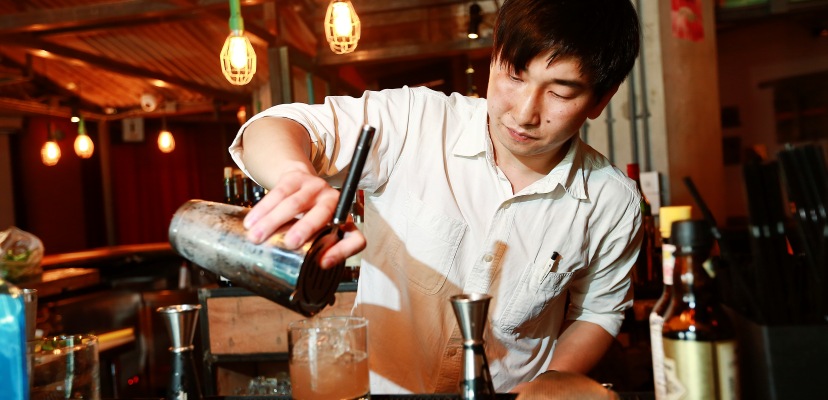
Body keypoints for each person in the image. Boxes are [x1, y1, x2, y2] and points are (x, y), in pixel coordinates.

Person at [229, 0, 642, 396]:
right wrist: (294, 174)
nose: (524, 113)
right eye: (514, 75)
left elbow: (599, 311)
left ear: (601, 99)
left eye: (561, 92)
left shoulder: (612, 200)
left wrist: (550, 382)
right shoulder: (417, 120)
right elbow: (275, 126)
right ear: (495, 54)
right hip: (382, 391)